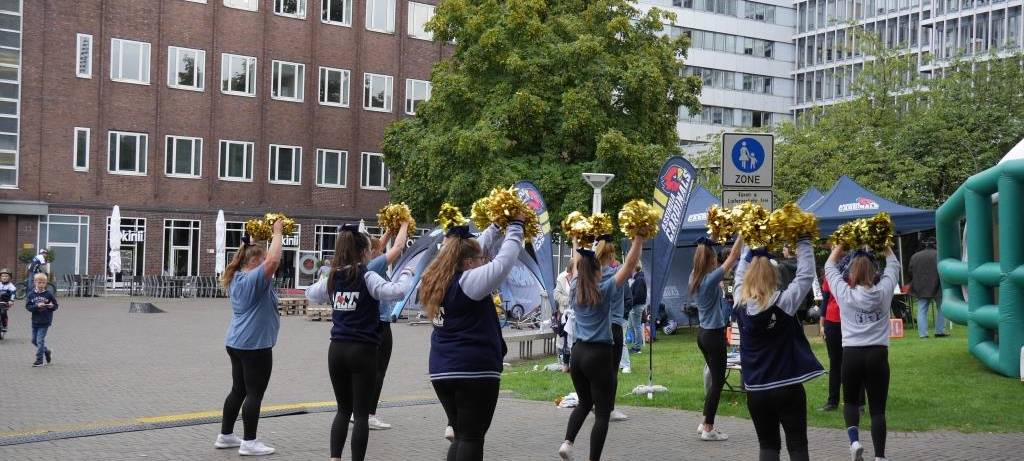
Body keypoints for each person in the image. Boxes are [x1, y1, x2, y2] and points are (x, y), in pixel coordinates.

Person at [418, 218, 525, 461]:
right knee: (472, 438)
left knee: (462, 435)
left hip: (442, 369)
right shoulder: (468, 282)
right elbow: (503, 263)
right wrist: (516, 228)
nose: (483, 262)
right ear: (468, 263)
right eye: (479, 260)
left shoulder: (440, 279)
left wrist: (496, 228)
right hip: (472, 370)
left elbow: (474, 249)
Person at [306, 223, 412, 461]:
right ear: (364, 252)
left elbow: (311, 293)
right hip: (363, 350)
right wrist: (406, 274)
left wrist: (328, 282)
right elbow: (395, 292)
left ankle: (335, 458)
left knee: (343, 410)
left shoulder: (334, 277)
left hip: (337, 350)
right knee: (361, 414)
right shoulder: (367, 275)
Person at [732, 238, 822, 461]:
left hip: (756, 389)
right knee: (798, 445)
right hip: (787, 386)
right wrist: (802, 239)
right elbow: (805, 275)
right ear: (774, 276)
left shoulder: (738, 303)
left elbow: (738, 276)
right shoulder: (784, 302)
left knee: (768, 446)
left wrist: (748, 241)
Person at [559, 234, 644, 461]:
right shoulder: (604, 290)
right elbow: (628, 266)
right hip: (598, 354)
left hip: (577, 354)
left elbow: (577, 262)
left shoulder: (575, 286)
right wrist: (638, 239)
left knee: (585, 402)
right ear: (596, 271)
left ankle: (567, 442)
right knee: (603, 414)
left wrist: (576, 240)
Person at [214, 220, 284, 456]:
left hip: (236, 342)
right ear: (254, 262)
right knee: (254, 393)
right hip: (255, 345)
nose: (267, 263)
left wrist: (260, 238)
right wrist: (277, 233)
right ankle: (249, 442)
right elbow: (274, 260)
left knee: (238, 390)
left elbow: (269, 261)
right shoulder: (252, 279)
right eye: (261, 260)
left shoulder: (237, 277)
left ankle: (225, 436)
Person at [825, 245, 900, 461]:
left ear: (851, 274)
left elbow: (830, 266)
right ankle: (880, 456)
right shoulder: (884, 291)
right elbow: (893, 265)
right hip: (878, 353)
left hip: (852, 354)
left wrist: (840, 245)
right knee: (877, 410)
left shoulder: (844, 294)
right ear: (874, 272)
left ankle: (855, 441)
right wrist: (884, 244)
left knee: (850, 402)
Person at [688, 235, 743, 441]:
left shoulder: (694, 275)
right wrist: (742, 234)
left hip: (703, 334)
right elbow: (734, 255)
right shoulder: (710, 279)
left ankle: (704, 422)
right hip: (713, 335)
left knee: (715, 381)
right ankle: (709, 427)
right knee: (718, 383)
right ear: (711, 259)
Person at [364, 224, 411, 431]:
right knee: (378, 371)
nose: (383, 250)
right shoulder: (373, 266)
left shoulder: (367, 263)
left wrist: (390, 229)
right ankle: (369, 414)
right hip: (380, 323)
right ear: (372, 252)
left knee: (370, 371)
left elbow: (380, 244)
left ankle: (360, 412)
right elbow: (398, 246)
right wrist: (405, 223)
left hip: (372, 322)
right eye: (379, 250)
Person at [596, 237, 630, 422]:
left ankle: (597, 403)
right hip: (614, 325)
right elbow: (630, 265)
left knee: (599, 371)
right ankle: (609, 408)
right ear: (611, 255)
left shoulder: (592, 275)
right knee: (612, 371)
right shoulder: (616, 275)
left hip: (597, 327)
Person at [908, 238, 946, 338]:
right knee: (941, 309)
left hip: (921, 287)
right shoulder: (939, 255)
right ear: (936, 245)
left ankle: (923, 334)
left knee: (922, 310)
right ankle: (940, 331)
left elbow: (910, 272)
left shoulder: (915, 256)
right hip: (938, 286)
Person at [26, 273, 58, 367]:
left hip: (45, 321)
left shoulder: (49, 294)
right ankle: (47, 351)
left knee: (40, 340)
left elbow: (56, 306)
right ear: (35, 282)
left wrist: (51, 306)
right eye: (39, 282)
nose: (41, 284)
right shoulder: (31, 294)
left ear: (46, 283)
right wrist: (36, 306)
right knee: (34, 341)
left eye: (43, 283)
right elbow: (28, 307)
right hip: (35, 321)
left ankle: (39, 360)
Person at [626, 265, 646, 353]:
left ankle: (637, 347)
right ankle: (635, 345)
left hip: (636, 306)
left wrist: (630, 302)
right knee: (631, 326)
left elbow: (638, 295)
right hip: (634, 306)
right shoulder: (637, 279)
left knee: (636, 326)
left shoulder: (639, 280)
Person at [0, 268, 16, 333]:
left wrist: (11, 301)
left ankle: (4, 325)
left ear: (9, 277)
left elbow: (13, 294)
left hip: (5, 302)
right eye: (3, 276)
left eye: (6, 276)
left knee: (3, 313)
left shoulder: (11, 286)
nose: (4, 277)